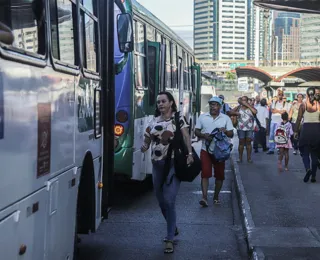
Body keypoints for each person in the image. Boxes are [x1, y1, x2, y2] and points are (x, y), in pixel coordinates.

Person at [141, 91, 193, 254]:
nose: (160, 104)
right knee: (161, 201)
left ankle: (169, 238)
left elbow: (186, 137)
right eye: (158, 102)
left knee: (169, 200)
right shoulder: (153, 120)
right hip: (157, 165)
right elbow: (148, 138)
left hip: (173, 164)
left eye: (163, 101)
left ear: (171, 103)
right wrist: (145, 146)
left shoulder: (178, 119)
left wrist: (190, 154)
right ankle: (173, 226)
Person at [195, 96, 234, 207]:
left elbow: (231, 133)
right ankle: (204, 197)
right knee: (205, 173)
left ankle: (216, 196)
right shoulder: (203, 117)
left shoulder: (225, 118)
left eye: (216, 105)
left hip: (220, 151)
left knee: (220, 175)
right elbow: (196, 131)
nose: (213, 107)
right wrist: (203, 135)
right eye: (211, 104)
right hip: (205, 150)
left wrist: (225, 131)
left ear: (220, 106)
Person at [294, 87, 320, 183]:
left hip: (306, 130)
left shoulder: (303, 105)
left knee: (305, 152)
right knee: (315, 154)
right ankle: (313, 176)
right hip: (317, 130)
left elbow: (298, 119)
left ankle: (307, 169)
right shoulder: (318, 105)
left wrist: (296, 132)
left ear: (306, 94)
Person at [232, 96, 257, 163]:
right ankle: (240, 158)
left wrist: (247, 105)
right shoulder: (239, 107)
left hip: (249, 128)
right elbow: (230, 112)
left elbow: (255, 112)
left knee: (249, 142)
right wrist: (236, 111)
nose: (243, 101)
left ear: (247, 100)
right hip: (240, 127)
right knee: (241, 142)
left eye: (245, 100)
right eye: (242, 100)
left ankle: (249, 158)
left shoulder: (250, 107)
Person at [267, 89, 291, 154]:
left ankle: (278, 148)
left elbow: (285, 112)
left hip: (280, 122)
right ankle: (271, 149)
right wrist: (280, 111)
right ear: (277, 95)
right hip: (273, 121)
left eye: (281, 95)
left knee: (279, 135)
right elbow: (272, 110)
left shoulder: (286, 104)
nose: (280, 96)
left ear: (283, 95)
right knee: (271, 136)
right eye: (279, 95)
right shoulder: (274, 102)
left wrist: (276, 110)